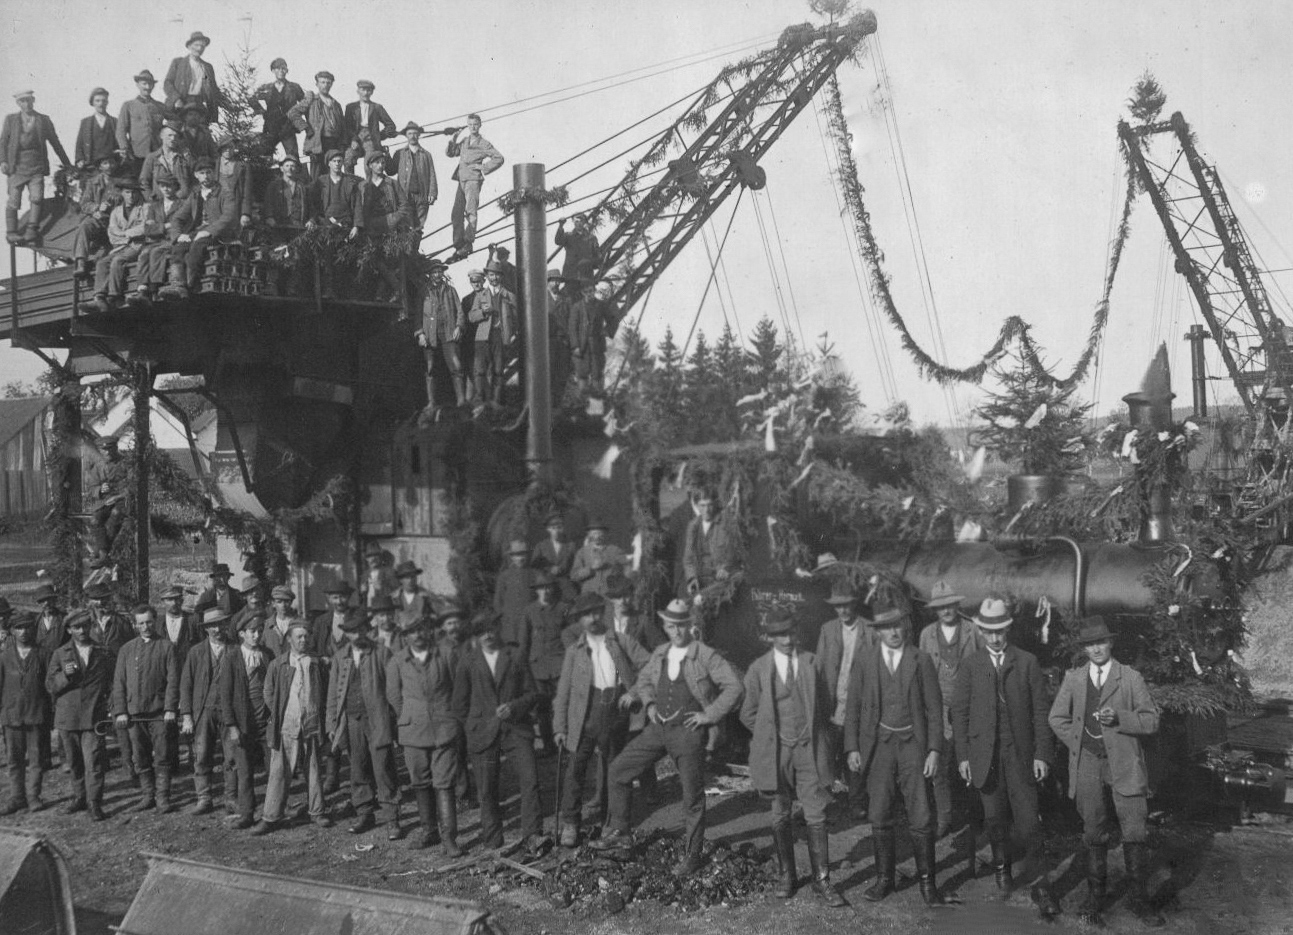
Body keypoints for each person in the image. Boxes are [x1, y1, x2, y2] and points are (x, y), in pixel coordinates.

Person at [595, 599, 742, 875]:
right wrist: (649, 704)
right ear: (666, 626)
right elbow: (644, 681)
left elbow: (734, 686)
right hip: (659, 729)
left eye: (681, 626)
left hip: (688, 734)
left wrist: (710, 715)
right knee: (619, 770)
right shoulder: (661, 652)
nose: (676, 631)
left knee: (692, 798)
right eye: (671, 626)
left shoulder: (704, 655)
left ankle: (692, 855)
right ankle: (621, 833)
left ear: (689, 626)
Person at [1049, 617, 1165, 927]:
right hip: (1087, 762)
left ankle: (1140, 901)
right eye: (1090, 644)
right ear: (1084, 649)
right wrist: (1077, 741)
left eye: (1101, 642)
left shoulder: (1130, 678)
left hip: (1125, 762)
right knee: (1093, 830)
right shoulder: (1074, 679)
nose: (1096, 648)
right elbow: (1056, 718)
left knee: (1134, 830)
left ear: (1110, 643)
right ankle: (1095, 898)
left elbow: (1151, 720)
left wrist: (1121, 719)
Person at [950, 596, 1060, 920]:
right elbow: (959, 714)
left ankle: (1042, 887)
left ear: (1008, 628)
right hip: (985, 754)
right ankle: (1003, 870)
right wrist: (963, 757)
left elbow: (1041, 712)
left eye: (1000, 630)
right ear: (981, 631)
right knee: (995, 818)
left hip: (1020, 753)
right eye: (989, 631)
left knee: (1028, 824)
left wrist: (1042, 753)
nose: (995, 638)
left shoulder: (1026, 662)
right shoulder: (971, 665)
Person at [740, 606, 844, 906]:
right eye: (779, 635)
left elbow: (823, 706)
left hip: (808, 750)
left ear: (797, 632)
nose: (786, 639)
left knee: (816, 813)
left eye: (790, 633)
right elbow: (748, 713)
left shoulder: (812, 663)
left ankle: (822, 881)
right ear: (770, 637)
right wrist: (768, 734)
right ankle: (787, 875)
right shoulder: (759, 669)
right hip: (777, 753)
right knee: (780, 812)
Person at [844, 604, 945, 905]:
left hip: (913, 744)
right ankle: (884, 880)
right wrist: (852, 747)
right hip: (879, 746)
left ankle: (928, 884)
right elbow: (853, 708)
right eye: (887, 627)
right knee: (880, 811)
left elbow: (935, 711)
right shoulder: (865, 660)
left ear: (906, 626)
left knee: (921, 813)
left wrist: (934, 750)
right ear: (877, 632)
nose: (894, 632)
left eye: (899, 625)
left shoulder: (921, 660)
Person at [552, 590, 649, 847]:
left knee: (615, 769)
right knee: (575, 769)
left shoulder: (620, 641)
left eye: (596, 612)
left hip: (615, 712)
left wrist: (635, 691)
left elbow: (650, 665)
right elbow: (563, 692)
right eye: (586, 615)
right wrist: (559, 727)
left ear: (603, 612)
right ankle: (571, 823)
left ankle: (613, 823)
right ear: (579, 620)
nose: (593, 618)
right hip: (583, 716)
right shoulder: (575, 650)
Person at [452, 611, 543, 852]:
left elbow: (533, 694)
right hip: (482, 733)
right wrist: (475, 726)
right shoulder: (468, 661)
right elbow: (459, 705)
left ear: (499, 630)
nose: (488, 635)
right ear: (476, 636)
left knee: (530, 779)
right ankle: (493, 841)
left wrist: (514, 707)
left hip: (516, 728)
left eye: (492, 629)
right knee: (487, 789)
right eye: (482, 632)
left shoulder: (515, 656)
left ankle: (533, 835)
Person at [386, 614, 464, 854]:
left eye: (422, 630)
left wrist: (449, 715)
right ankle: (429, 831)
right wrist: (409, 715)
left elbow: (457, 687)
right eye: (412, 631)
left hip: (443, 728)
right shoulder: (397, 661)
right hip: (413, 730)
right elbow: (394, 696)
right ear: (405, 636)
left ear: (429, 631)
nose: (418, 635)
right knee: (420, 782)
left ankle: (449, 837)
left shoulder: (446, 654)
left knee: (444, 782)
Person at [916, 579, 984, 845]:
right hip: (939, 709)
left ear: (957, 605)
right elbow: (922, 675)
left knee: (972, 764)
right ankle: (944, 819)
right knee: (939, 768)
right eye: (941, 607)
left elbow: (982, 666)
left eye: (950, 605)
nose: (946, 611)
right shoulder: (926, 635)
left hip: (967, 707)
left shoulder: (972, 631)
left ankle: (976, 820)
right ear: (935, 610)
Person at [326, 610, 399, 838]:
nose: (356, 635)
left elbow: (394, 688)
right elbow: (333, 694)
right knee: (358, 768)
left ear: (367, 631)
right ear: (345, 634)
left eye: (360, 630)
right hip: (351, 719)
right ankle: (365, 813)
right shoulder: (341, 657)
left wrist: (394, 719)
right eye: (351, 631)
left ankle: (392, 819)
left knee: (383, 768)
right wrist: (331, 723)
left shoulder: (381, 653)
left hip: (377, 718)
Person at [254, 620, 331, 833]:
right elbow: (268, 692)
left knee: (314, 769)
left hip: (311, 723)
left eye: (306, 636)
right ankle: (271, 816)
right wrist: (281, 713)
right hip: (286, 724)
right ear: (289, 639)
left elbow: (326, 692)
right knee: (279, 771)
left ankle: (317, 812)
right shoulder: (278, 664)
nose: (303, 640)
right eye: (299, 636)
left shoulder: (317, 664)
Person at [815, 579, 875, 821]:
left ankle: (856, 801)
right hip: (832, 701)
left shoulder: (870, 630)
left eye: (847, 605)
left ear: (854, 604)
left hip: (857, 703)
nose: (843, 611)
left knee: (855, 753)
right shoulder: (827, 630)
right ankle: (825, 801)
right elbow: (820, 666)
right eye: (838, 606)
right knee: (827, 754)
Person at [46, 610, 113, 820]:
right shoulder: (60, 653)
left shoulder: (102, 652)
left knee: (94, 761)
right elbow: (49, 685)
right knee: (74, 762)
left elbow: (112, 682)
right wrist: (65, 676)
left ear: (91, 626)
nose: (82, 630)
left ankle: (94, 802)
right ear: (69, 630)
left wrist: (109, 705)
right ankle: (79, 797)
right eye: (76, 627)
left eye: (85, 626)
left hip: (94, 716)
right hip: (68, 717)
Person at [112, 605, 180, 813]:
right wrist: (121, 711)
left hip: (159, 713)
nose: (145, 626)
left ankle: (162, 797)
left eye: (149, 622)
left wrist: (170, 708)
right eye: (140, 623)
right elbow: (119, 683)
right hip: (134, 714)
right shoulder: (126, 649)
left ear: (155, 621)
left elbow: (173, 681)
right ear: (135, 625)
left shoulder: (167, 647)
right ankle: (147, 795)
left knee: (162, 755)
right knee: (139, 756)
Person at [221, 611, 273, 830]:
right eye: (252, 631)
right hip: (243, 724)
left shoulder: (267, 654)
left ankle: (272, 813)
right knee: (245, 772)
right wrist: (232, 725)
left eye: (260, 631)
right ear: (242, 633)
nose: (256, 635)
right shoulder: (232, 656)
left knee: (273, 770)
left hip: (266, 722)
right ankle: (246, 813)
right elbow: (225, 694)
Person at [160, 157, 239, 300]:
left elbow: (228, 216)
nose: (206, 176)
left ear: (214, 174)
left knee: (196, 249)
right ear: (196, 175)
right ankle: (177, 284)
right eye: (202, 173)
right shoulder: (195, 195)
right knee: (178, 248)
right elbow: (177, 218)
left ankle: (190, 286)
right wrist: (178, 235)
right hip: (197, 232)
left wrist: (209, 231)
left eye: (208, 172)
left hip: (219, 234)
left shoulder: (224, 193)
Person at [180, 609, 233, 815]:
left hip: (229, 712)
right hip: (203, 711)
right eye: (213, 625)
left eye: (221, 624)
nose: (217, 629)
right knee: (202, 756)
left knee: (231, 757)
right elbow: (186, 685)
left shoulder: (235, 649)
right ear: (206, 629)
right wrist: (186, 716)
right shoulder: (196, 652)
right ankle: (204, 798)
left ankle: (231, 797)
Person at [2, 90, 71, 245]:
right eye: (22, 101)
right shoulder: (10, 120)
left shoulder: (43, 120)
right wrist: (3, 161)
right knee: (14, 200)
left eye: (29, 100)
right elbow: (3, 143)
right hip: (16, 166)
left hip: (36, 166)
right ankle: (11, 232)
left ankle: (31, 230)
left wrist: (67, 164)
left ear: (33, 101)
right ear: (18, 103)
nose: (26, 104)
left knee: (37, 198)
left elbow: (55, 142)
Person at [1, 612, 52, 814]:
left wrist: (50, 714)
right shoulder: (4, 657)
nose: (24, 632)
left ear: (33, 630)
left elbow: (49, 686)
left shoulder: (43, 654)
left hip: (36, 715)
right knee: (14, 760)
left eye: (28, 628)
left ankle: (33, 796)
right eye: (19, 628)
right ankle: (17, 797)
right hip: (11, 717)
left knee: (36, 759)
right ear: (13, 631)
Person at [446, 114, 504, 259]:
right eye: (470, 124)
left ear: (480, 125)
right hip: (461, 179)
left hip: (473, 180)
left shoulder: (483, 144)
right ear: (467, 125)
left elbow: (499, 158)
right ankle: (459, 244)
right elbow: (450, 153)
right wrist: (454, 138)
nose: (473, 127)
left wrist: (483, 167)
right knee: (456, 213)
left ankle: (468, 242)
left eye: (475, 124)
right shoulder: (464, 141)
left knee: (470, 211)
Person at [525, 571, 569, 757]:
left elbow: (569, 637)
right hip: (538, 665)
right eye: (541, 588)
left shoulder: (563, 609)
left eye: (548, 587)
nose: (545, 592)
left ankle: (565, 743)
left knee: (562, 703)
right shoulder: (529, 611)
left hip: (560, 662)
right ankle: (548, 746)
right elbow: (524, 639)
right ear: (536, 591)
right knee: (542, 706)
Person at [89, 178, 148, 313]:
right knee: (102, 263)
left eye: (134, 193)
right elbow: (112, 233)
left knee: (118, 260)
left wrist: (126, 233)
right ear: (122, 193)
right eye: (127, 192)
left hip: (138, 246)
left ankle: (114, 295)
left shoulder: (145, 208)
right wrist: (126, 237)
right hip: (121, 246)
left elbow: (145, 228)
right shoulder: (116, 211)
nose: (131, 196)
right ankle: (99, 297)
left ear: (138, 193)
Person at [466, 259, 517, 405]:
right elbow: (471, 316)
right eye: (491, 275)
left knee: (498, 371)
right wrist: (482, 312)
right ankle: (481, 400)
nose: (494, 278)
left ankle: (495, 402)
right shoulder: (481, 295)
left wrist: (510, 330)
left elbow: (517, 318)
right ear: (487, 277)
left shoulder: (509, 295)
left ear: (501, 276)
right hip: (482, 337)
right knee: (480, 371)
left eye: (497, 275)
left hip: (500, 336)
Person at [131, 173, 186, 306]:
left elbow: (181, 224)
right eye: (163, 186)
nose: (166, 189)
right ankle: (142, 289)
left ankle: (154, 287)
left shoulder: (182, 204)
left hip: (172, 239)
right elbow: (148, 229)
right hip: (156, 240)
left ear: (175, 187)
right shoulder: (154, 206)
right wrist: (165, 226)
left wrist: (159, 227)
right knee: (144, 253)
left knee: (157, 252)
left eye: (169, 186)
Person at [418, 259, 466, 409]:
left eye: (439, 271)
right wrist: (420, 334)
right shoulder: (423, 292)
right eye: (434, 272)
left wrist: (458, 326)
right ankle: (431, 403)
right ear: (430, 274)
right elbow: (417, 316)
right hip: (430, 335)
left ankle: (461, 401)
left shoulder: (450, 290)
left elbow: (460, 311)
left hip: (448, 333)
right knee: (430, 368)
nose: (437, 275)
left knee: (456, 367)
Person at [681, 488, 740, 597]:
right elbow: (688, 559)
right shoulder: (693, 526)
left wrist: (726, 569)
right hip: (700, 580)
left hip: (721, 581)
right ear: (697, 506)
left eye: (710, 505)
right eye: (702, 505)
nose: (706, 510)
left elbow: (736, 552)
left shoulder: (726, 523)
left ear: (715, 504)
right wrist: (692, 578)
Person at [289, 71, 345, 181]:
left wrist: (342, 144)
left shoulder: (336, 104)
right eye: (322, 82)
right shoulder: (311, 100)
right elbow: (292, 113)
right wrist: (305, 128)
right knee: (317, 176)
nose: (325, 85)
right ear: (317, 84)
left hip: (334, 143)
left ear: (331, 84)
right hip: (317, 142)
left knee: (334, 174)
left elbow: (342, 126)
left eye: (328, 83)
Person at [71, 154, 118, 281]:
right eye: (105, 163)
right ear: (100, 167)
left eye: (112, 163)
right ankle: (80, 262)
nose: (109, 166)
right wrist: (95, 209)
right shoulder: (92, 182)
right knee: (84, 226)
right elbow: (84, 204)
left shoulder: (120, 182)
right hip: (98, 220)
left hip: (115, 222)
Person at [84, 436, 127, 566]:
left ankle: (100, 552)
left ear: (116, 448)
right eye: (104, 450)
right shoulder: (98, 466)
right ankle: (104, 554)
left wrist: (119, 496)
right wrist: (100, 489)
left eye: (110, 449)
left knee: (115, 514)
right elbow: (91, 487)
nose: (107, 453)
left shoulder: (125, 463)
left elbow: (134, 485)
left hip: (123, 499)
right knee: (95, 520)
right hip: (105, 501)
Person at [250, 58, 304, 160]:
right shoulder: (267, 88)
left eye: (283, 69)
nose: (281, 71)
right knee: (264, 156)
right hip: (270, 128)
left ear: (287, 70)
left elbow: (305, 103)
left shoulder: (294, 87)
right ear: (273, 71)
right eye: (278, 69)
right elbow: (252, 99)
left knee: (293, 157)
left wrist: (297, 115)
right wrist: (262, 111)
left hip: (288, 127)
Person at [164, 31, 220, 124]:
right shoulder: (178, 63)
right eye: (196, 45)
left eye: (202, 46)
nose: (199, 48)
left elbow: (214, 90)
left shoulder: (207, 67)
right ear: (189, 46)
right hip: (180, 104)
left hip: (198, 105)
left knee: (199, 134)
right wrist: (176, 99)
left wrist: (231, 105)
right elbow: (167, 83)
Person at [570, 277, 614, 394]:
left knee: (597, 376)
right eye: (586, 292)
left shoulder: (601, 306)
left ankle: (596, 409)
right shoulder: (577, 307)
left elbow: (613, 320)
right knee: (582, 376)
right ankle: (582, 407)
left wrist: (606, 331)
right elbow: (572, 328)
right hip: (581, 349)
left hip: (597, 346)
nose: (589, 294)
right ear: (582, 293)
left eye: (591, 291)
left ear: (594, 290)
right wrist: (575, 346)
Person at [343, 80, 397, 174]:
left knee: (370, 164)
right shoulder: (350, 107)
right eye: (363, 90)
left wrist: (379, 136)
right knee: (348, 157)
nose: (365, 93)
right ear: (358, 91)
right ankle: (350, 184)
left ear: (371, 92)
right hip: (356, 138)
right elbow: (347, 127)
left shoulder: (377, 107)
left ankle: (370, 186)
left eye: (368, 90)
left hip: (370, 140)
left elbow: (391, 125)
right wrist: (353, 140)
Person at [116, 71, 165, 171]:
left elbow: (175, 121)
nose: (147, 87)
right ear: (137, 85)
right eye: (144, 83)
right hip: (136, 153)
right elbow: (120, 130)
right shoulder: (128, 105)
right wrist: (124, 148)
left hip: (157, 152)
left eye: (150, 84)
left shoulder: (160, 106)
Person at [391, 122, 437, 229]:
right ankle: (408, 246)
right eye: (410, 133)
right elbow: (391, 171)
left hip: (422, 195)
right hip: (405, 195)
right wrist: (386, 155)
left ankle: (415, 246)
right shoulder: (400, 153)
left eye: (415, 133)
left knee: (419, 226)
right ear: (406, 135)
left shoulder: (426, 154)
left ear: (419, 135)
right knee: (406, 225)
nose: (412, 136)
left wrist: (432, 193)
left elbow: (432, 174)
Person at [570, 518, 628, 598]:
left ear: (606, 534)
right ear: (589, 535)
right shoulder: (582, 552)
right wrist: (590, 569)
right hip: (588, 598)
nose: (597, 537)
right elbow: (574, 576)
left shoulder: (615, 551)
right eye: (594, 533)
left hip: (609, 597)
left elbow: (627, 568)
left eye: (600, 533)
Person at [494, 540, 533, 657]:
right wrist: (504, 621)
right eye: (516, 555)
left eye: (522, 554)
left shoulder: (535, 575)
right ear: (511, 557)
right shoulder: (504, 576)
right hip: (511, 625)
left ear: (527, 555)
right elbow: (498, 602)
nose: (520, 558)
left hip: (529, 622)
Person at [603, 573, 656, 650]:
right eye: (618, 597)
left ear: (632, 596)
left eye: (626, 596)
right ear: (611, 599)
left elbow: (662, 647)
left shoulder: (642, 621)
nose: (623, 601)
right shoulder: (604, 622)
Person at [139, 123, 192, 200]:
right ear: (161, 136)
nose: (173, 138)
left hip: (182, 203)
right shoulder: (152, 158)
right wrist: (151, 199)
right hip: (158, 204)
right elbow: (143, 182)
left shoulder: (185, 157)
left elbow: (194, 180)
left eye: (176, 136)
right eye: (169, 135)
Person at [546, 270, 574, 407]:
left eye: (558, 281)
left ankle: (557, 404)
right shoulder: (540, 299)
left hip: (563, 342)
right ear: (547, 281)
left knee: (562, 374)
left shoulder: (565, 299)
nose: (557, 283)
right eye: (554, 280)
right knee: (548, 374)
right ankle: (547, 405)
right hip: (547, 342)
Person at [531, 511, 576, 597]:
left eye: (559, 527)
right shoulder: (541, 546)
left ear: (563, 528)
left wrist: (563, 570)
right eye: (553, 528)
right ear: (548, 529)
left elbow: (574, 567)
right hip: (546, 585)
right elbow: (534, 567)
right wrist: (549, 569)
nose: (556, 531)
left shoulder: (570, 545)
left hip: (564, 584)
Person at [263, 154, 310, 235]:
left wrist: (311, 220)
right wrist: (269, 217)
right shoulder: (274, 185)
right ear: (281, 168)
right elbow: (268, 203)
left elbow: (310, 206)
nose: (290, 169)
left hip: (298, 226)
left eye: (292, 166)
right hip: (279, 225)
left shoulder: (302, 187)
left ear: (297, 168)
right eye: (287, 166)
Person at [75, 87, 117, 168]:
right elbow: (79, 145)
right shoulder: (85, 122)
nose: (101, 104)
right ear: (92, 103)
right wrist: (79, 160)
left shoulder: (115, 122)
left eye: (103, 101)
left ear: (107, 102)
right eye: (97, 101)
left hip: (110, 167)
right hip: (90, 166)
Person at [555, 213, 600, 283]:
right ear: (573, 223)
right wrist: (561, 225)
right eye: (576, 221)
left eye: (581, 221)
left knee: (585, 293)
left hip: (586, 276)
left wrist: (589, 262)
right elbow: (558, 241)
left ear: (584, 222)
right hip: (570, 275)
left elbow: (597, 256)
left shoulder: (591, 238)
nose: (579, 224)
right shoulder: (568, 236)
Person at [391, 562, 434, 631]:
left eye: (413, 576)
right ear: (400, 580)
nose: (410, 580)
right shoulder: (394, 598)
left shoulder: (426, 596)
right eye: (407, 577)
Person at [263, 585, 301, 657]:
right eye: (279, 602)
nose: (283, 605)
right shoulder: (266, 625)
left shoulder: (299, 624)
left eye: (286, 601)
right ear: (273, 603)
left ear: (291, 602)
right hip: (273, 666)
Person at [33, 583, 66, 655]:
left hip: (60, 658)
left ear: (54, 601)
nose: (47, 603)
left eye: (49, 599)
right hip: (41, 659)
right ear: (39, 603)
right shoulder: (36, 621)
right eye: (43, 600)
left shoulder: (64, 619)